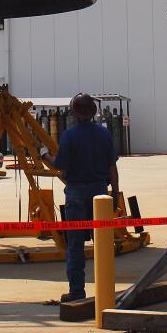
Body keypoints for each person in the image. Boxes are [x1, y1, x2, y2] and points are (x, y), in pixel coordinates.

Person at [44, 92, 119, 303]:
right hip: (100, 193)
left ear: (74, 112)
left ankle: (77, 291)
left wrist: (43, 155)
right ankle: (106, 290)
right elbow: (112, 166)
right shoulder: (104, 134)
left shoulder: (69, 135)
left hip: (76, 193)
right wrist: (115, 192)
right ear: (94, 111)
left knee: (75, 245)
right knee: (103, 243)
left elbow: (60, 165)